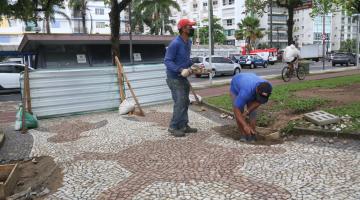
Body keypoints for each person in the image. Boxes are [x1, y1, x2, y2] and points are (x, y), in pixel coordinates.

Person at [164, 19, 198, 137]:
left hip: (183, 77)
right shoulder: (175, 43)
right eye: (190, 27)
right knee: (179, 102)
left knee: (185, 101)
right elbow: (167, 61)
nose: (192, 29)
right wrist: (180, 70)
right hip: (174, 77)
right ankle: (173, 127)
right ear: (183, 29)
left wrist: (192, 64)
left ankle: (183, 125)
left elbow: (184, 61)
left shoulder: (188, 42)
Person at [230, 73, 272, 142]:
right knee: (239, 110)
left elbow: (259, 102)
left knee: (253, 112)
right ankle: (243, 134)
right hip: (236, 85)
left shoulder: (268, 87)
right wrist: (245, 125)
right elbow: (236, 109)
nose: (260, 99)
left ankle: (252, 134)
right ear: (256, 90)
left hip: (249, 80)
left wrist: (247, 111)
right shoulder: (245, 92)